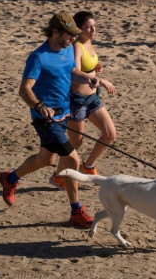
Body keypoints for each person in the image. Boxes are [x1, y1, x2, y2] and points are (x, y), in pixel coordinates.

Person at [0, 12, 96, 228]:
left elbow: (71, 70)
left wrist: (87, 77)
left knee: (46, 159)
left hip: (64, 113)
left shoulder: (68, 49)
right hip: (45, 119)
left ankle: (10, 179)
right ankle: (76, 210)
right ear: (55, 32)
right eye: (69, 35)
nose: (73, 39)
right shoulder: (38, 57)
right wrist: (40, 106)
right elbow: (24, 89)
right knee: (73, 160)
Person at [49, 11, 118, 189]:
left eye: (94, 26)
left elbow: (88, 67)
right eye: (88, 27)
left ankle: (87, 166)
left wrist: (96, 69)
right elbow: (75, 73)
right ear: (79, 28)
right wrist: (100, 79)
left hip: (92, 98)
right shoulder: (76, 46)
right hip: (77, 100)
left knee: (110, 134)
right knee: (76, 143)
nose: (93, 30)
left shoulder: (88, 43)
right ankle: (58, 176)